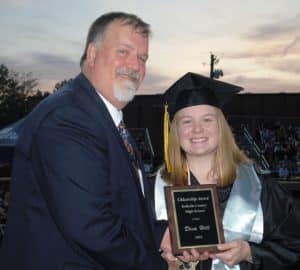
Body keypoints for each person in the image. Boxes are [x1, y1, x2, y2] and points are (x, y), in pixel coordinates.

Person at [0, 12, 168, 270]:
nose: (135, 65)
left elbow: (121, 205)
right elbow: (93, 228)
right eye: (124, 52)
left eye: (142, 58)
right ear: (92, 54)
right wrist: (158, 266)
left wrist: (162, 236)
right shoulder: (67, 119)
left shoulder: (106, 121)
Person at [155, 72, 300, 270]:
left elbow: (294, 243)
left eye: (207, 119)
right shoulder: (153, 191)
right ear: (175, 131)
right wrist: (165, 260)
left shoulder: (258, 188)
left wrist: (251, 253)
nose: (197, 129)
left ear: (221, 127)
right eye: (187, 121)